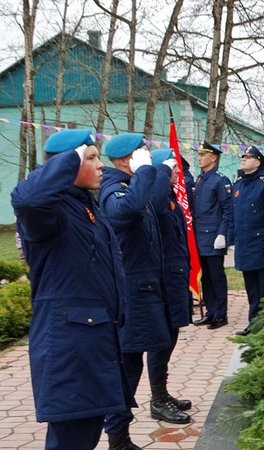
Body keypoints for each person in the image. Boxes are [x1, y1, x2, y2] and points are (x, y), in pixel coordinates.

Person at [11, 129, 132, 450]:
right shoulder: (49, 211)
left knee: (86, 430)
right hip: (69, 343)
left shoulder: (83, 205)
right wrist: (72, 156)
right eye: (91, 158)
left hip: (93, 339)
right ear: (67, 163)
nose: (101, 165)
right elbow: (29, 200)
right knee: (71, 439)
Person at [98, 133, 186, 448]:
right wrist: (156, 171)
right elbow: (127, 210)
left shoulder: (131, 186)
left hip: (146, 289)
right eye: (142, 153)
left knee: (134, 362)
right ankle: (117, 437)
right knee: (127, 366)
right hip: (132, 293)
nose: (146, 157)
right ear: (125, 160)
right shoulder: (114, 189)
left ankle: (120, 435)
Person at [150, 148, 195, 420]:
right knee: (160, 339)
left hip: (175, 277)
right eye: (172, 169)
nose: (178, 172)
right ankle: (157, 399)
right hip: (162, 280)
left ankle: (162, 393)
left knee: (171, 336)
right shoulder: (155, 199)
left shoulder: (169, 197)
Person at [228, 146, 264, 335]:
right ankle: (254, 323)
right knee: (251, 289)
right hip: (244, 245)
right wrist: (230, 239)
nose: (243, 159)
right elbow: (232, 215)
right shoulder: (239, 185)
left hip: (261, 246)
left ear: (257, 162)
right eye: (242, 157)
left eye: (247, 157)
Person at [191, 141, 232, 330]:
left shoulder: (220, 180)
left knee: (216, 276)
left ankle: (221, 314)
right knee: (205, 276)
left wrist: (222, 233)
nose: (199, 158)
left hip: (214, 236)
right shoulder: (200, 179)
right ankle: (211, 311)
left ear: (213, 158)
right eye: (199, 155)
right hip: (200, 236)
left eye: (203, 155)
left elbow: (227, 210)